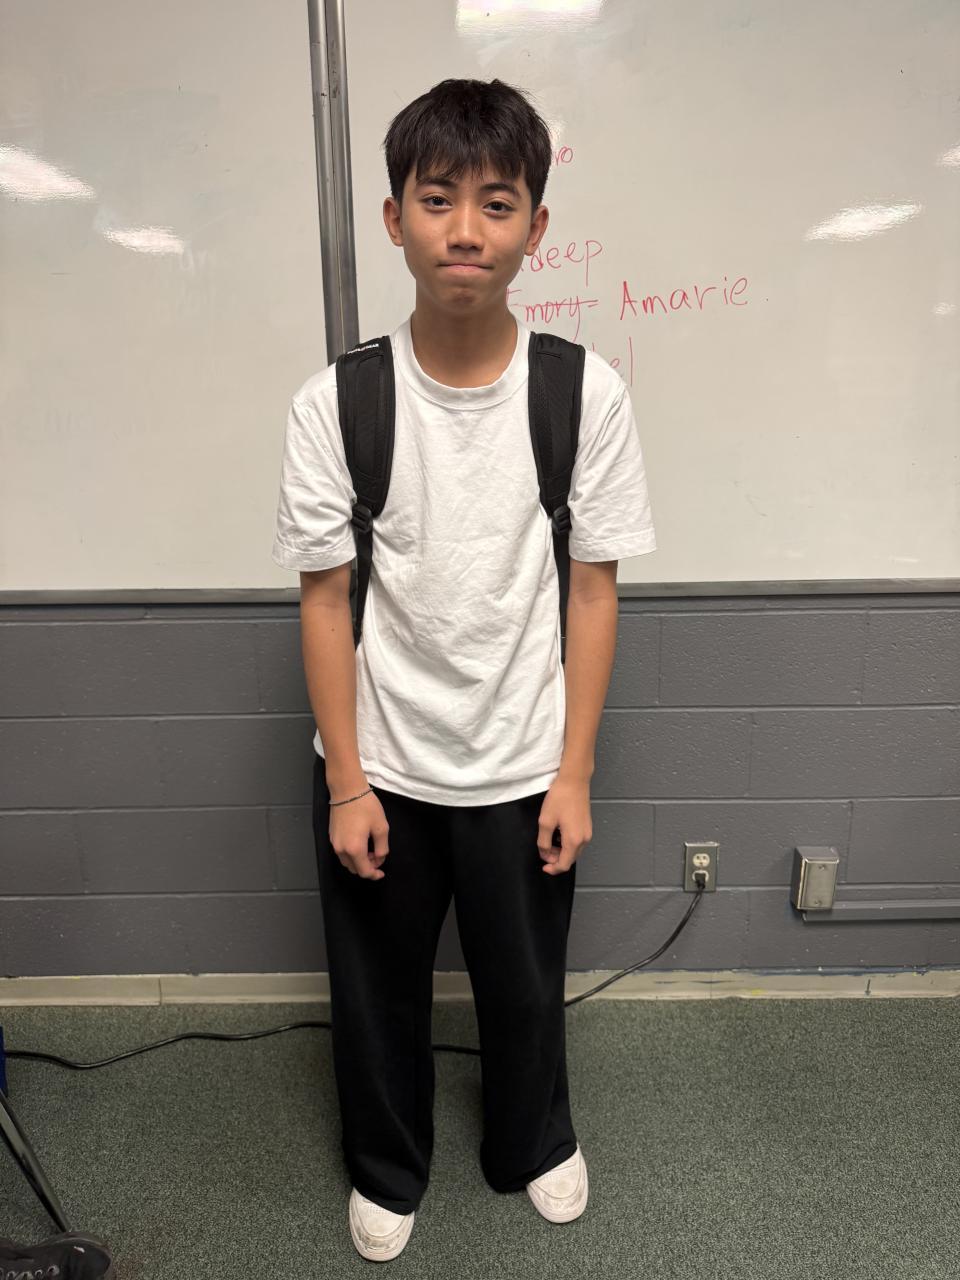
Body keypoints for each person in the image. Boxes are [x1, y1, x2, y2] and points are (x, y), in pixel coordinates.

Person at [271, 77, 656, 1262]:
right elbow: (324, 598)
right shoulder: (339, 400)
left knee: (526, 981)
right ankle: (387, 1166)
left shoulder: (582, 392)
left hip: (525, 757)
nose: (466, 230)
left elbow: (592, 589)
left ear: (536, 225)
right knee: (376, 990)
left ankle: (533, 1139)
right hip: (382, 759)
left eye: (497, 203)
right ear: (395, 217)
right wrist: (346, 781)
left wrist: (573, 771)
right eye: (438, 199)